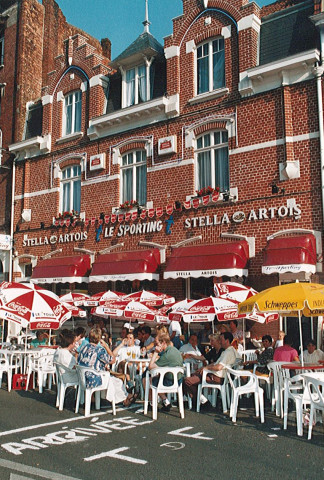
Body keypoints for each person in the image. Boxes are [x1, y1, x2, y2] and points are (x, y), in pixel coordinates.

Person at [184, 332, 239, 406]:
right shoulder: (230, 350)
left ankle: (203, 401)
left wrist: (206, 368)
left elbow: (218, 367)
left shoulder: (226, 352)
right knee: (192, 376)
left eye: (221, 339)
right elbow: (239, 360)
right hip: (218, 375)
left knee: (187, 380)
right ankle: (196, 399)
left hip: (216, 377)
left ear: (227, 341)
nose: (220, 341)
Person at [78, 327, 129, 406]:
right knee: (117, 381)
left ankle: (125, 397)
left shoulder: (83, 348)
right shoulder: (99, 350)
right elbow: (113, 360)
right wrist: (106, 346)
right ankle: (125, 399)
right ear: (99, 339)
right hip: (94, 379)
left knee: (113, 380)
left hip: (82, 378)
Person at [146, 332, 184, 411]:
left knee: (150, 380)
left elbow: (150, 367)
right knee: (157, 377)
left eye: (157, 344)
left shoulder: (166, 355)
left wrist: (156, 352)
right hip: (179, 380)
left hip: (171, 382)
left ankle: (157, 402)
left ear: (163, 342)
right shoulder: (175, 350)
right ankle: (165, 401)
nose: (156, 346)